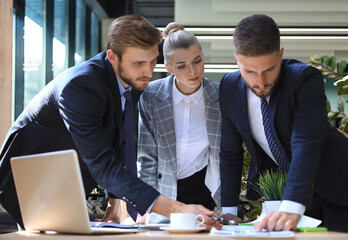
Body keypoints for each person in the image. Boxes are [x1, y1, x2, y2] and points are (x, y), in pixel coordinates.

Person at [0, 14, 219, 230]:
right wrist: (178, 209)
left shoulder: (130, 79)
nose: (149, 71)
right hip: (27, 183)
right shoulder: (81, 87)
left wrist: (115, 202)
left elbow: (119, 142)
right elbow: (103, 162)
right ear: (113, 57)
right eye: (139, 63)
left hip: (63, 182)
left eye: (153, 60)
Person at [219, 14, 348, 232]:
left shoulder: (304, 79)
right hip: (297, 196)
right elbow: (230, 153)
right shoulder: (229, 88)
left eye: (269, 70)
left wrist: (290, 206)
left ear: (280, 55)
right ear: (236, 60)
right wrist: (229, 212)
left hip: (339, 185)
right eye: (250, 71)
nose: (260, 82)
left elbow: (305, 141)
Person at [136, 22, 221, 223]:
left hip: (203, 191)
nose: (193, 71)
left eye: (197, 61)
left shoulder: (220, 96)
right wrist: (145, 206)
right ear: (169, 67)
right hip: (163, 194)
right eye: (182, 66)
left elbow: (226, 155)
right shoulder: (150, 96)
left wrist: (229, 206)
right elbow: (147, 159)